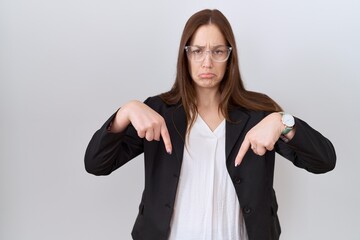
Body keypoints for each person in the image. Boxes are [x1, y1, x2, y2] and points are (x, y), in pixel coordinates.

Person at [84, 9, 336, 240]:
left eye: (217, 51)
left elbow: (324, 160)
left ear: (229, 56)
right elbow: (96, 164)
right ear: (185, 55)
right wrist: (124, 112)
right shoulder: (157, 111)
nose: (207, 62)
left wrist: (283, 123)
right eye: (197, 51)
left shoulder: (259, 113)